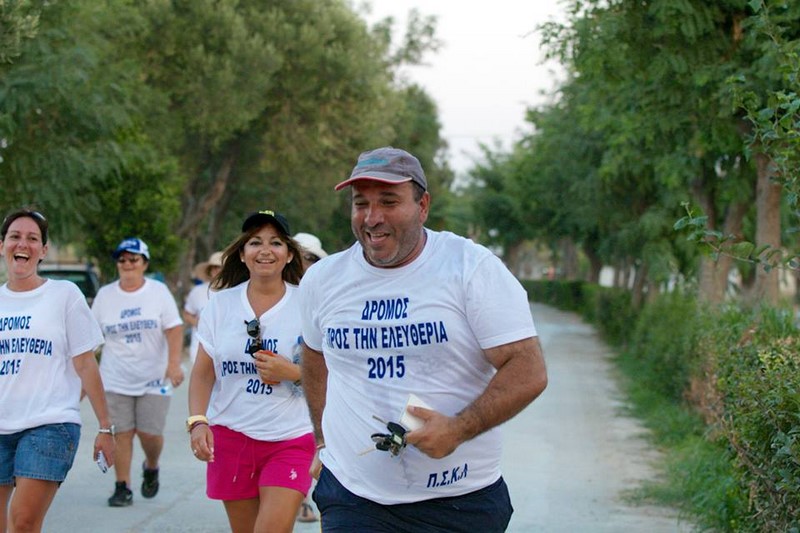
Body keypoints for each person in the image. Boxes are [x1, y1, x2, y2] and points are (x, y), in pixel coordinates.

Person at [299, 147, 548, 532]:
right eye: (361, 203)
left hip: (459, 501)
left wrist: (458, 428)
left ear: (423, 206)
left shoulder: (470, 268)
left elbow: (528, 368)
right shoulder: (323, 279)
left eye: (389, 201)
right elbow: (314, 357)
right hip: (353, 498)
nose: (372, 217)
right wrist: (321, 440)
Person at [187, 210, 315, 533]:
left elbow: (331, 373)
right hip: (231, 438)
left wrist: (292, 371)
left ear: (289, 255)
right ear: (243, 254)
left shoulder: (308, 304)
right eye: (255, 242)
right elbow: (203, 373)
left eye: (276, 242)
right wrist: (198, 421)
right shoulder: (220, 305)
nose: (265, 250)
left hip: (291, 439)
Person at [0, 208, 115, 532]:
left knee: (23, 521)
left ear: (43, 250)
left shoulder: (64, 295)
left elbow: (85, 363)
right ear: (2, 245)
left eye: (32, 238)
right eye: (15, 237)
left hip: (49, 424)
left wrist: (105, 427)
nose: (23, 244)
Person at [91, 237, 184, 507]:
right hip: (115, 377)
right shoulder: (105, 296)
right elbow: (91, 338)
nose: (128, 264)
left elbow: (174, 328)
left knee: (149, 434)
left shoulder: (158, 292)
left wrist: (173, 364)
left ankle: (151, 465)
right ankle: (123, 486)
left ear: (144, 263)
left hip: (154, 379)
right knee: (121, 433)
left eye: (134, 259)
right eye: (122, 259)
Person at [291, 232, 328, 524]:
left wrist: (293, 373)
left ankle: (305, 500)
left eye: (311, 258)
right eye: (300, 255)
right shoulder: (273, 294)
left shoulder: (324, 297)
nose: (305, 263)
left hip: (316, 393)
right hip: (280, 400)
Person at [183, 251, 223, 364]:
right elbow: (187, 313)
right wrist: (200, 324)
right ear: (209, 270)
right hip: (200, 348)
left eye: (221, 267)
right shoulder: (198, 291)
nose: (217, 271)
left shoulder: (236, 292)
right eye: (214, 267)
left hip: (226, 351)